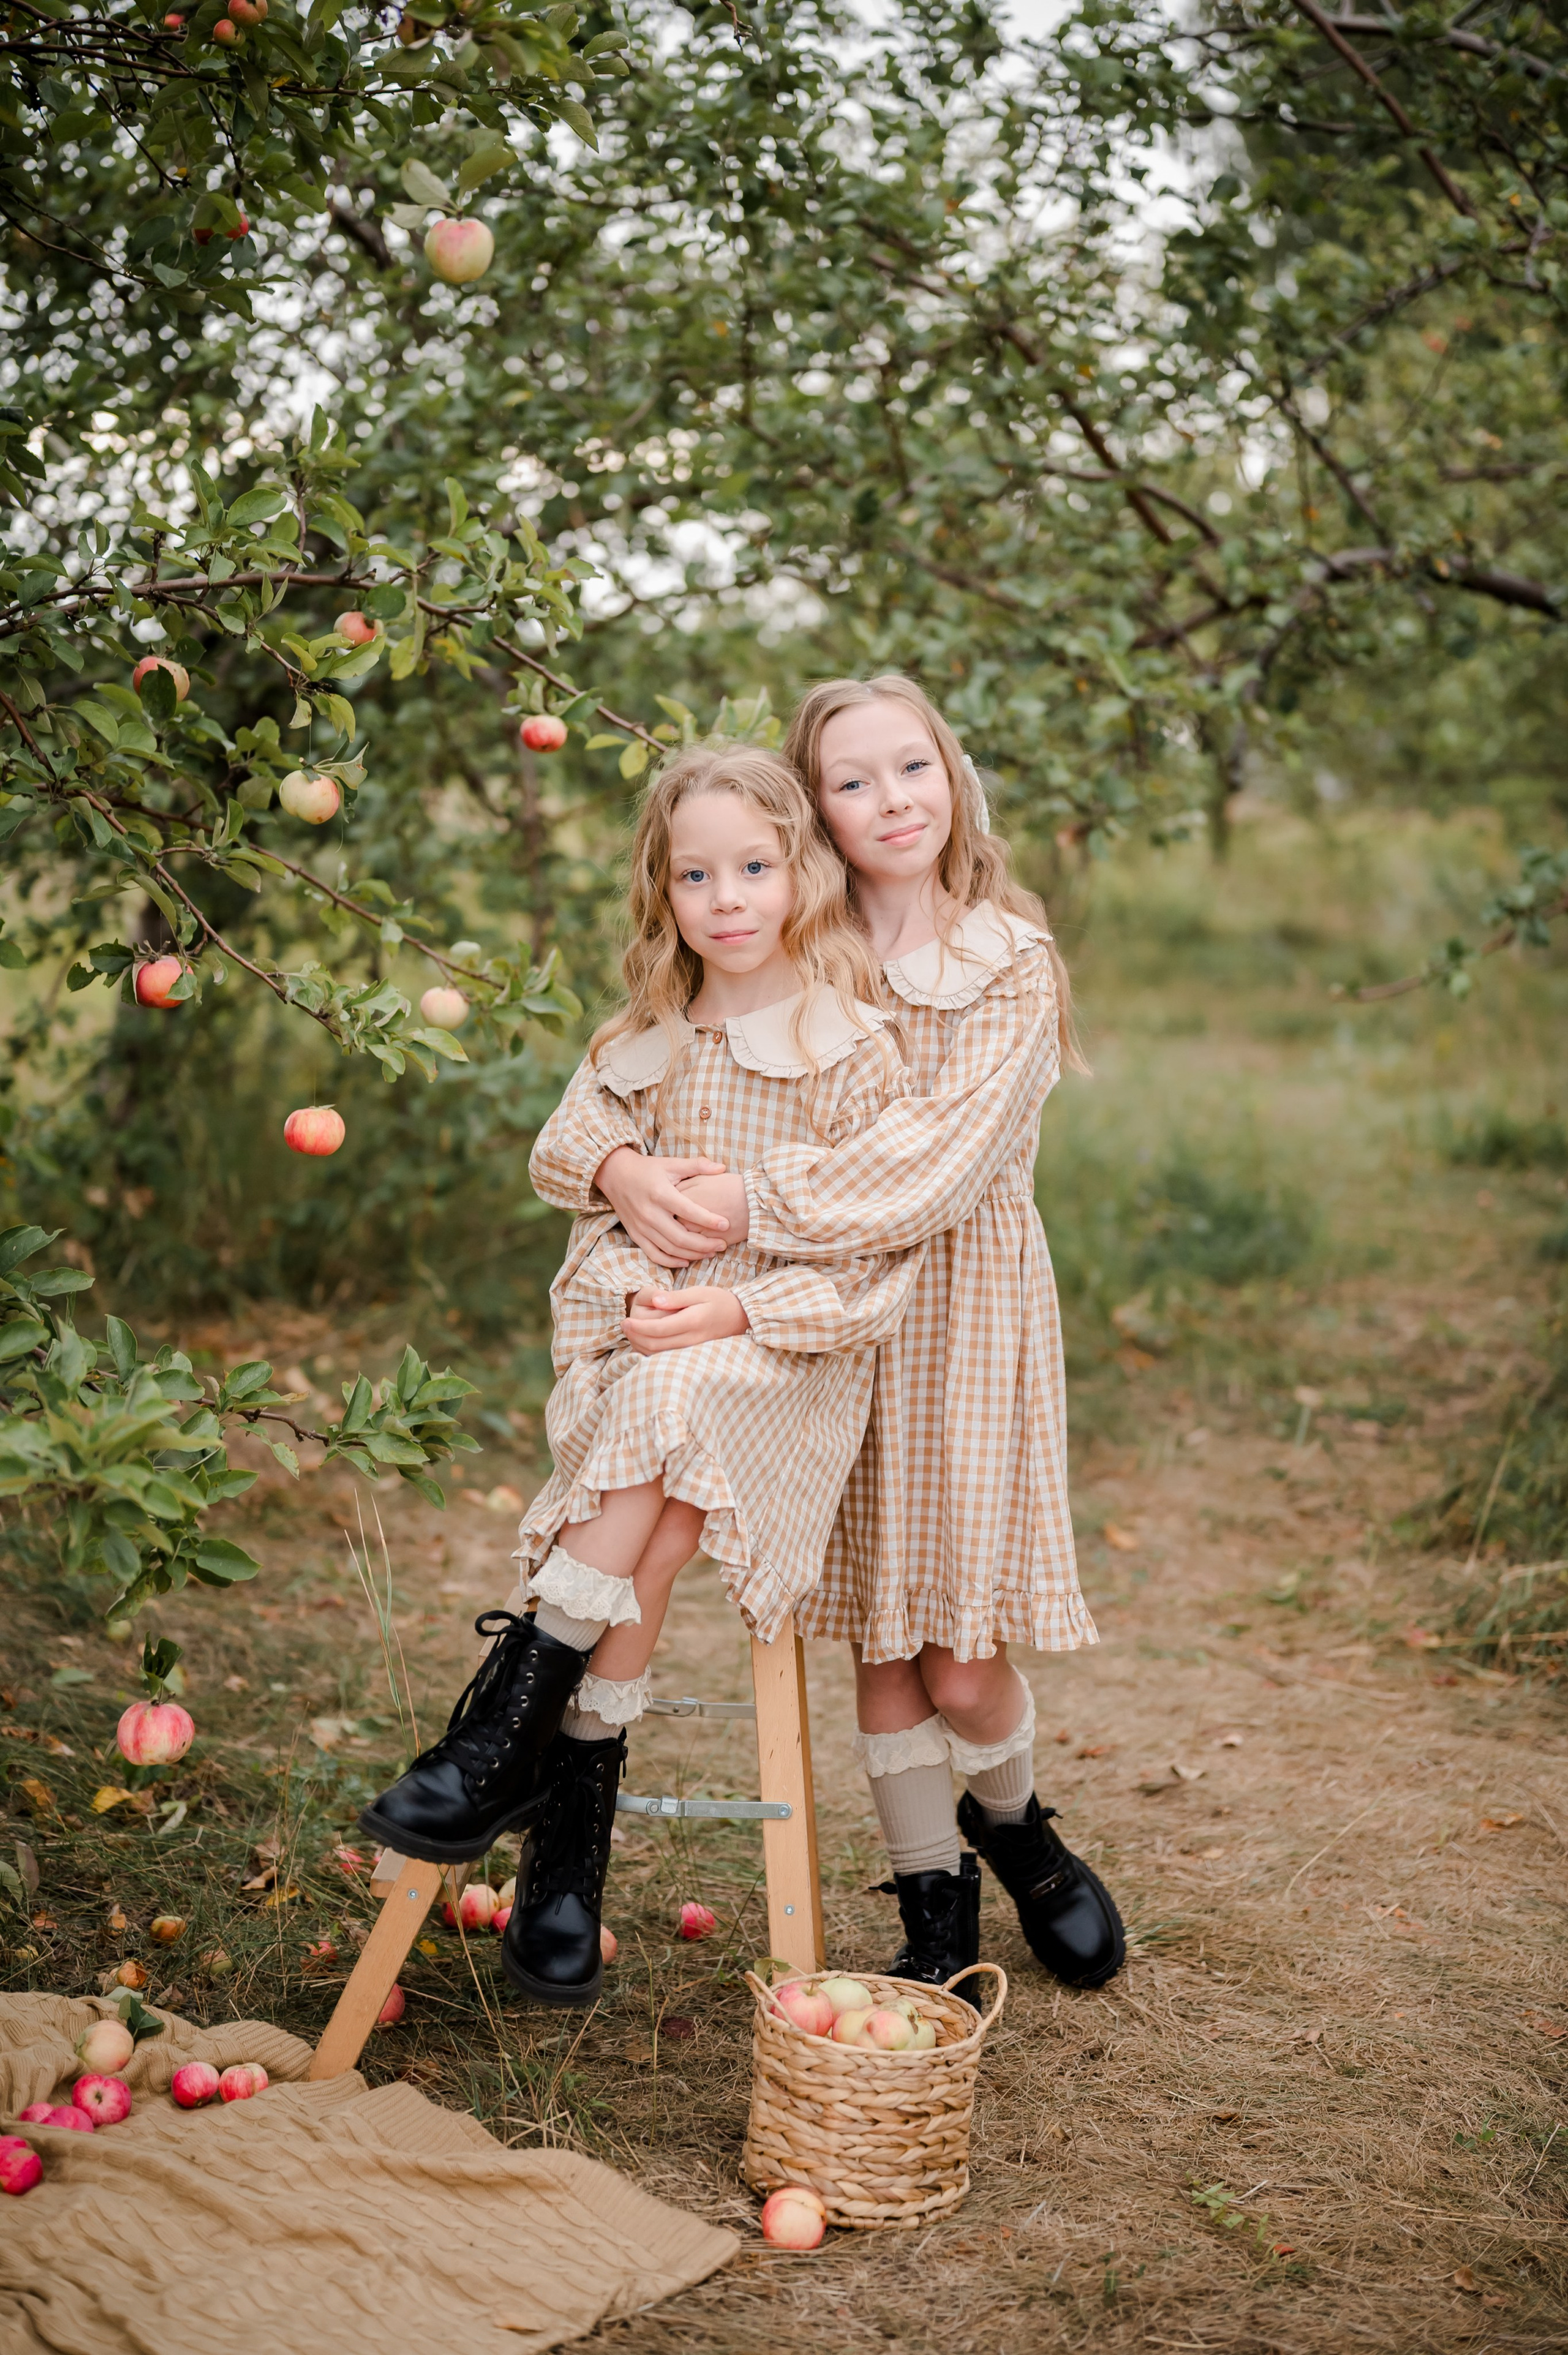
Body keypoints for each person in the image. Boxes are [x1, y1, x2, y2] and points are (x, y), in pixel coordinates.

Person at [570, 678, 1124, 1992]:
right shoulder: (793, 945)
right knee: (882, 1627)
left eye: (912, 767)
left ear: (953, 775)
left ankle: (1017, 1830)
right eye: (853, 780)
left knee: (959, 1655)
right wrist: (616, 1166)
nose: (892, 801)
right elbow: (652, 1058)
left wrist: (740, 1201)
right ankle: (931, 1903)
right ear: (813, 809)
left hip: (956, 1312)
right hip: (814, 1315)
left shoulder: (1006, 960)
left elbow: (929, 1170)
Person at [360, 740, 918, 2005]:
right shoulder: (647, 1035)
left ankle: (502, 1746)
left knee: (668, 1416)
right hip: (642, 1345)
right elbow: (564, 1143)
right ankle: (558, 1848)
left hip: (786, 1362)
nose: (726, 898)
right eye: (694, 874)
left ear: (803, 871)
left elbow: (876, 1264)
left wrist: (734, 1302)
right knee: (655, 1518)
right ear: (662, 890)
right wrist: (618, 1171)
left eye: (755, 867)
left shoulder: (851, 1049)